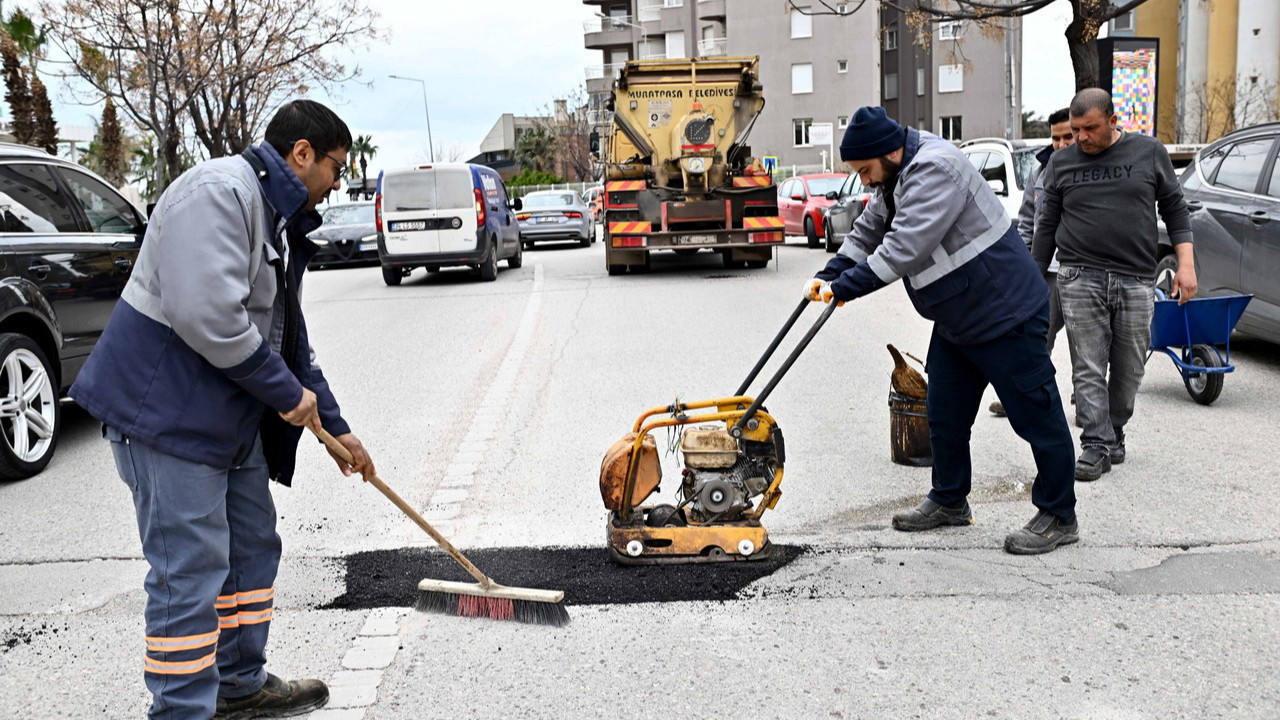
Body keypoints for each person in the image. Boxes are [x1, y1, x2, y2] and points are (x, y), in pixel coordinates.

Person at [70, 99, 374, 719]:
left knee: (253, 549)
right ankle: (183, 710)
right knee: (190, 575)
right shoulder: (216, 195)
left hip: (226, 420)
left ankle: (239, 686)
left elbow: (290, 341)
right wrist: (290, 397)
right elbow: (207, 316)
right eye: (336, 166)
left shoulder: (277, 217)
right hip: (166, 420)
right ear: (302, 153)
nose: (339, 181)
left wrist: (338, 431)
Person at [809, 106, 1078, 555]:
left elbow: (901, 249)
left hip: (1003, 311)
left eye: (866, 170)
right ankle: (950, 499)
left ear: (888, 152)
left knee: (1036, 415)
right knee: (944, 412)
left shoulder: (935, 168)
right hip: (959, 317)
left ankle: (1059, 513)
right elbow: (868, 230)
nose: (867, 180)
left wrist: (843, 288)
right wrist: (828, 273)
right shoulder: (896, 174)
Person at [1031, 88, 1197, 482]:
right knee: (1087, 366)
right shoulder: (1061, 164)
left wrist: (1186, 264)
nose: (1082, 137)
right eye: (1076, 130)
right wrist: (1033, 280)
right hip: (1078, 276)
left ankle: (1114, 428)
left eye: (1090, 128)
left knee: (1129, 369)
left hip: (1136, 277)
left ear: (1112, 119)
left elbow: (1175, 208)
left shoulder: (1148, 152)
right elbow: (1046, 227)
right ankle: (1095, 443)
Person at [990, 107, 1075, 417]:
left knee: (1084, 348)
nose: (1062, 144)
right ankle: (1022, 397)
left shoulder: (1087, 172)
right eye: (1056, 138)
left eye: (1069, 136)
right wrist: (1025, 268)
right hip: (1045, 273)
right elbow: (1027, 221)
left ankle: (1087, 404)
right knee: (1035, 340)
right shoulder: (1038, 173)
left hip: (1080, 273)